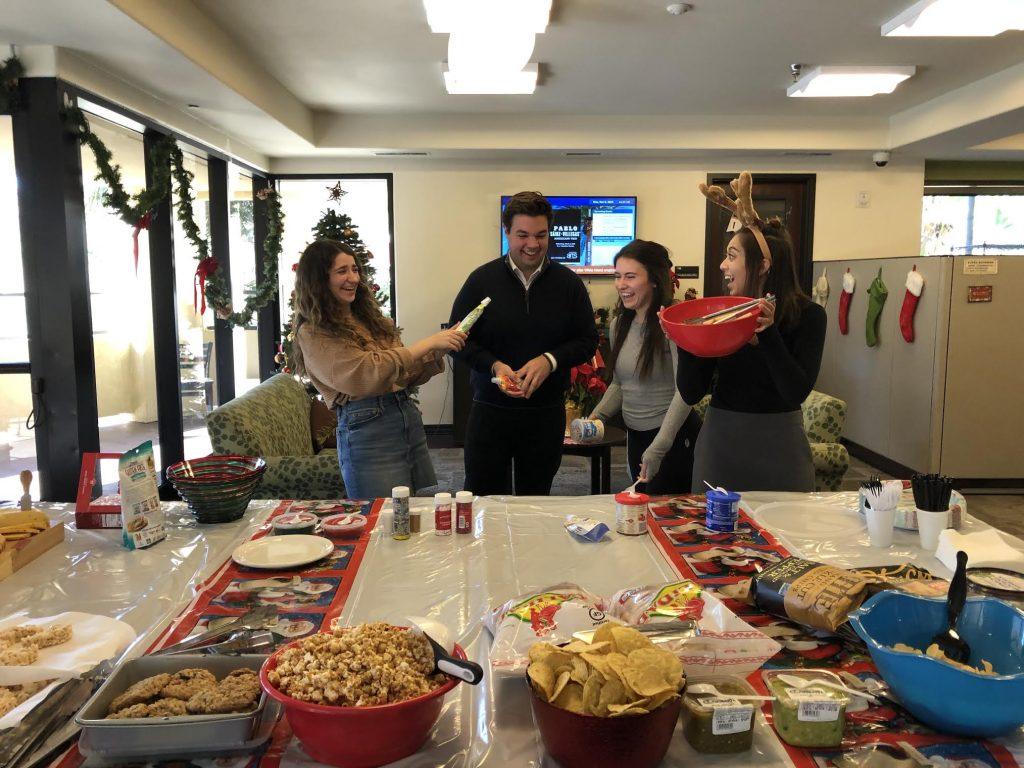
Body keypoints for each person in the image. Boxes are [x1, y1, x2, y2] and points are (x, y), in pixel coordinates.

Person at [676, 173, 826, 493]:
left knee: (786, 532)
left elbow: (794, 391)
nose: (722, 266)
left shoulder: (810, 316)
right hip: (721, 444)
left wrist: (769, 334)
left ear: (762, 266)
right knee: (712, 537)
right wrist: (687, 339)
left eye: (731, 257)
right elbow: (691, 392)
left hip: (781, 446)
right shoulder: (721, 316)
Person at [450, 191, 599, 495]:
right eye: (522, 235)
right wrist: (493, 364)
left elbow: (587, 340)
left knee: (537, 500)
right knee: (485, 500)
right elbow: (458, 339)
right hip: (490, 412)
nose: (532, 244)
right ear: (507, 232)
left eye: (541, 235)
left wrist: (550, 360)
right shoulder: (481, 280)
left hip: (545, 414)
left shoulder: (568, 284)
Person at [292, 240, 466, 499]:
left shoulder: (371, 320)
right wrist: (427, 343)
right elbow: (363, 374)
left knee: (414, 512)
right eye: (342, 271)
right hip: (367, 432)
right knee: (382, 519)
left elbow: (402, 375)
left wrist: (435, 353)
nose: (352, 278)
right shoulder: (313, 332)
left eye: (354, 269)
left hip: (405, 418)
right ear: (319, 279)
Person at [588, 240, 701, 494]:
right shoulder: (619, 324)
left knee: (671, 520)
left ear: (654, 280)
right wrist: (596, 417)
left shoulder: (673, 322)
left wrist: (660, 445)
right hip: (637, 437)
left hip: (672, 436)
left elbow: (685, 391)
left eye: (630, 276)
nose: (621, 285)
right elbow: (620, 384)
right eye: (617, 277)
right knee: (640, 515)